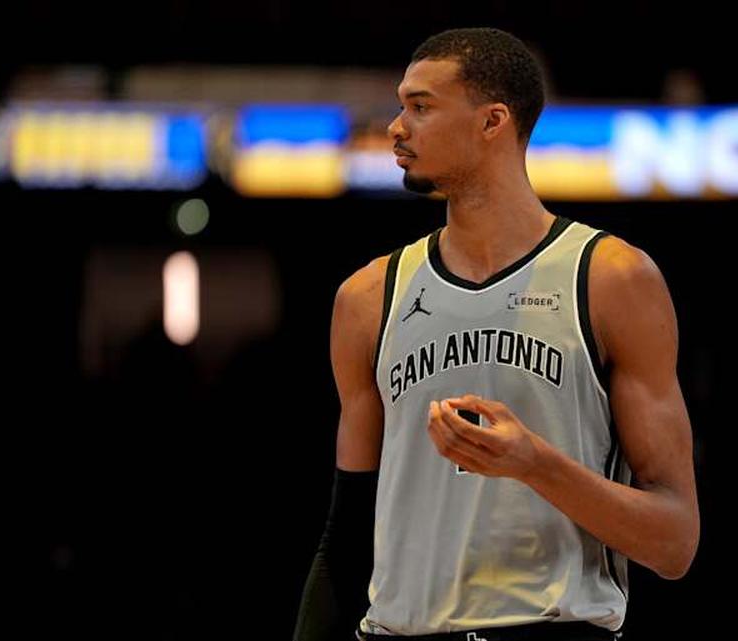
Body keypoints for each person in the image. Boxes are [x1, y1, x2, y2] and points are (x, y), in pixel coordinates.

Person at [292, 27, 700, 641]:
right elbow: (345, 535)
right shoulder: (367, 297)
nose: (398, 127)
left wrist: (535, 464)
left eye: (421, 107)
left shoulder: (611, 279)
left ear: (493, 121)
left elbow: (674, 543)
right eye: (402, 106)